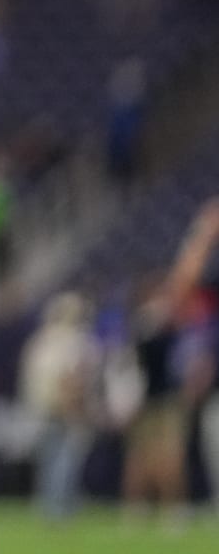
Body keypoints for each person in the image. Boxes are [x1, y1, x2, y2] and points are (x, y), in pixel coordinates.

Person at [121, 199, 219, 527]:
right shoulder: (154, 319)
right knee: (161, 453)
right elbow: (184, 284)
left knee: (160, 453)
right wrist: (204, 233)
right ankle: (164, 508)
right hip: (160, 394)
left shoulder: (151, 320)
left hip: (158, 393)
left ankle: (153, 509)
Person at [18, 291, 100, 520]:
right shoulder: (73, 340)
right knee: (65, 459)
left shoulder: (40, 340)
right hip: (62, 406)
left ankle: (49, 503)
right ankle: (58, 506)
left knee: (49, 458)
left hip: (41, 407)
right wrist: (72, 406)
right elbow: (69, 377)